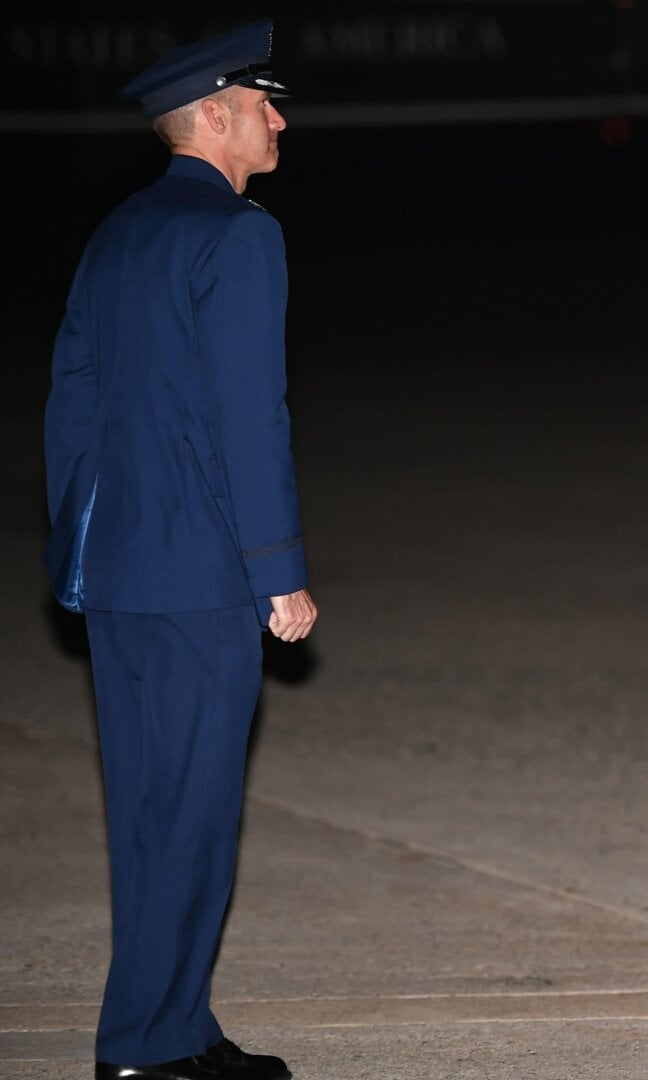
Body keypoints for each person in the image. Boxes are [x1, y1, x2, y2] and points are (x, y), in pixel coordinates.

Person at [44, 18, 315, 1080]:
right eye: (263, 106)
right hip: (202, 573)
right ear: (213, 117)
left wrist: (86, 536)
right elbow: (251, 418)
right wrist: (278, 570)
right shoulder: (239, 236)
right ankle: (147, 1048)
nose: (279, 122)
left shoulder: (119, 231)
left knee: (151, 816)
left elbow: (73, 402)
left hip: (120, 569)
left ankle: (175, 1031)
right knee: (192, 815)